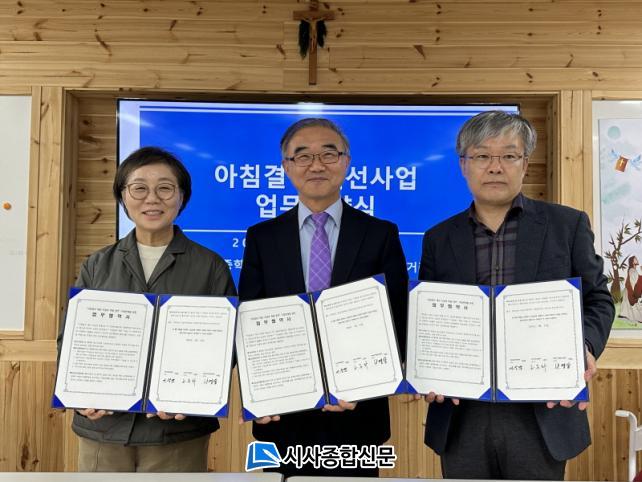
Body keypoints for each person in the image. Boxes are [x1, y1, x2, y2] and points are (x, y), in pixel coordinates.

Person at [419, 111, 614, 480]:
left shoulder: (567, 225)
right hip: (462, 414)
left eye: (509, 155)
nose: (495, 166)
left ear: (524, 164)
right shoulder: (438, 238)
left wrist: (585, 347)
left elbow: (598, 300)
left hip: (541, 411)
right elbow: (427, 319)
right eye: (482, 155)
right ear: (463, 165)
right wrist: (426, 367)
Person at [238, 118, 408, 477]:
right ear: (286, 167)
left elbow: (397, 319)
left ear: (346, 162)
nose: (316, 165)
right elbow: (249, 321)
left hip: (358, 413)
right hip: (283, 415)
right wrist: (259, 393)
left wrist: (365, 384)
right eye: (303, 156)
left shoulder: (379, 234)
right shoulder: (262, 237)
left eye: (328, 154)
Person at [57, 146, 236, 472]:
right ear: (123, 197)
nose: (152, 199)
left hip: (176, 431)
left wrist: (192, 396)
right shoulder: (97, 264)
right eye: (139, 188)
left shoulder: (210, 267)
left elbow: (226, 348)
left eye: (165, 188)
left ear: (182, 197)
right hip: (104, 429)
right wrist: (80, 397)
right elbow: (70, 340)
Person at [621, 255, 642, 322]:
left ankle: (625, 315)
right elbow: (634, 282)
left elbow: (637, 279)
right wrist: (634, 293)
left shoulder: (633, 270)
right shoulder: (632, 270)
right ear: (632, 262)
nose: (637, 259)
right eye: (635, 259)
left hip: (628, 290)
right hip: (630, 291)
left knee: (629, 307)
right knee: (634, 307)